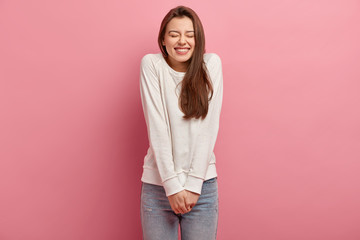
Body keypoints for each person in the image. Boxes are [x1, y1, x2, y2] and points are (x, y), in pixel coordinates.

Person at [139, 5, 223, 240]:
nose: (182, 41)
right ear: (163, 40)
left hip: (203, 187)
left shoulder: (211, 66)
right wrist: (173, 187)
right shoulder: (151, 66)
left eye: (190, 34)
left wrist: (194, 184)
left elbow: (209, 129)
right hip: (158, 188)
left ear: (198, 39)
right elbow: (158, 130)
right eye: (174, 34)